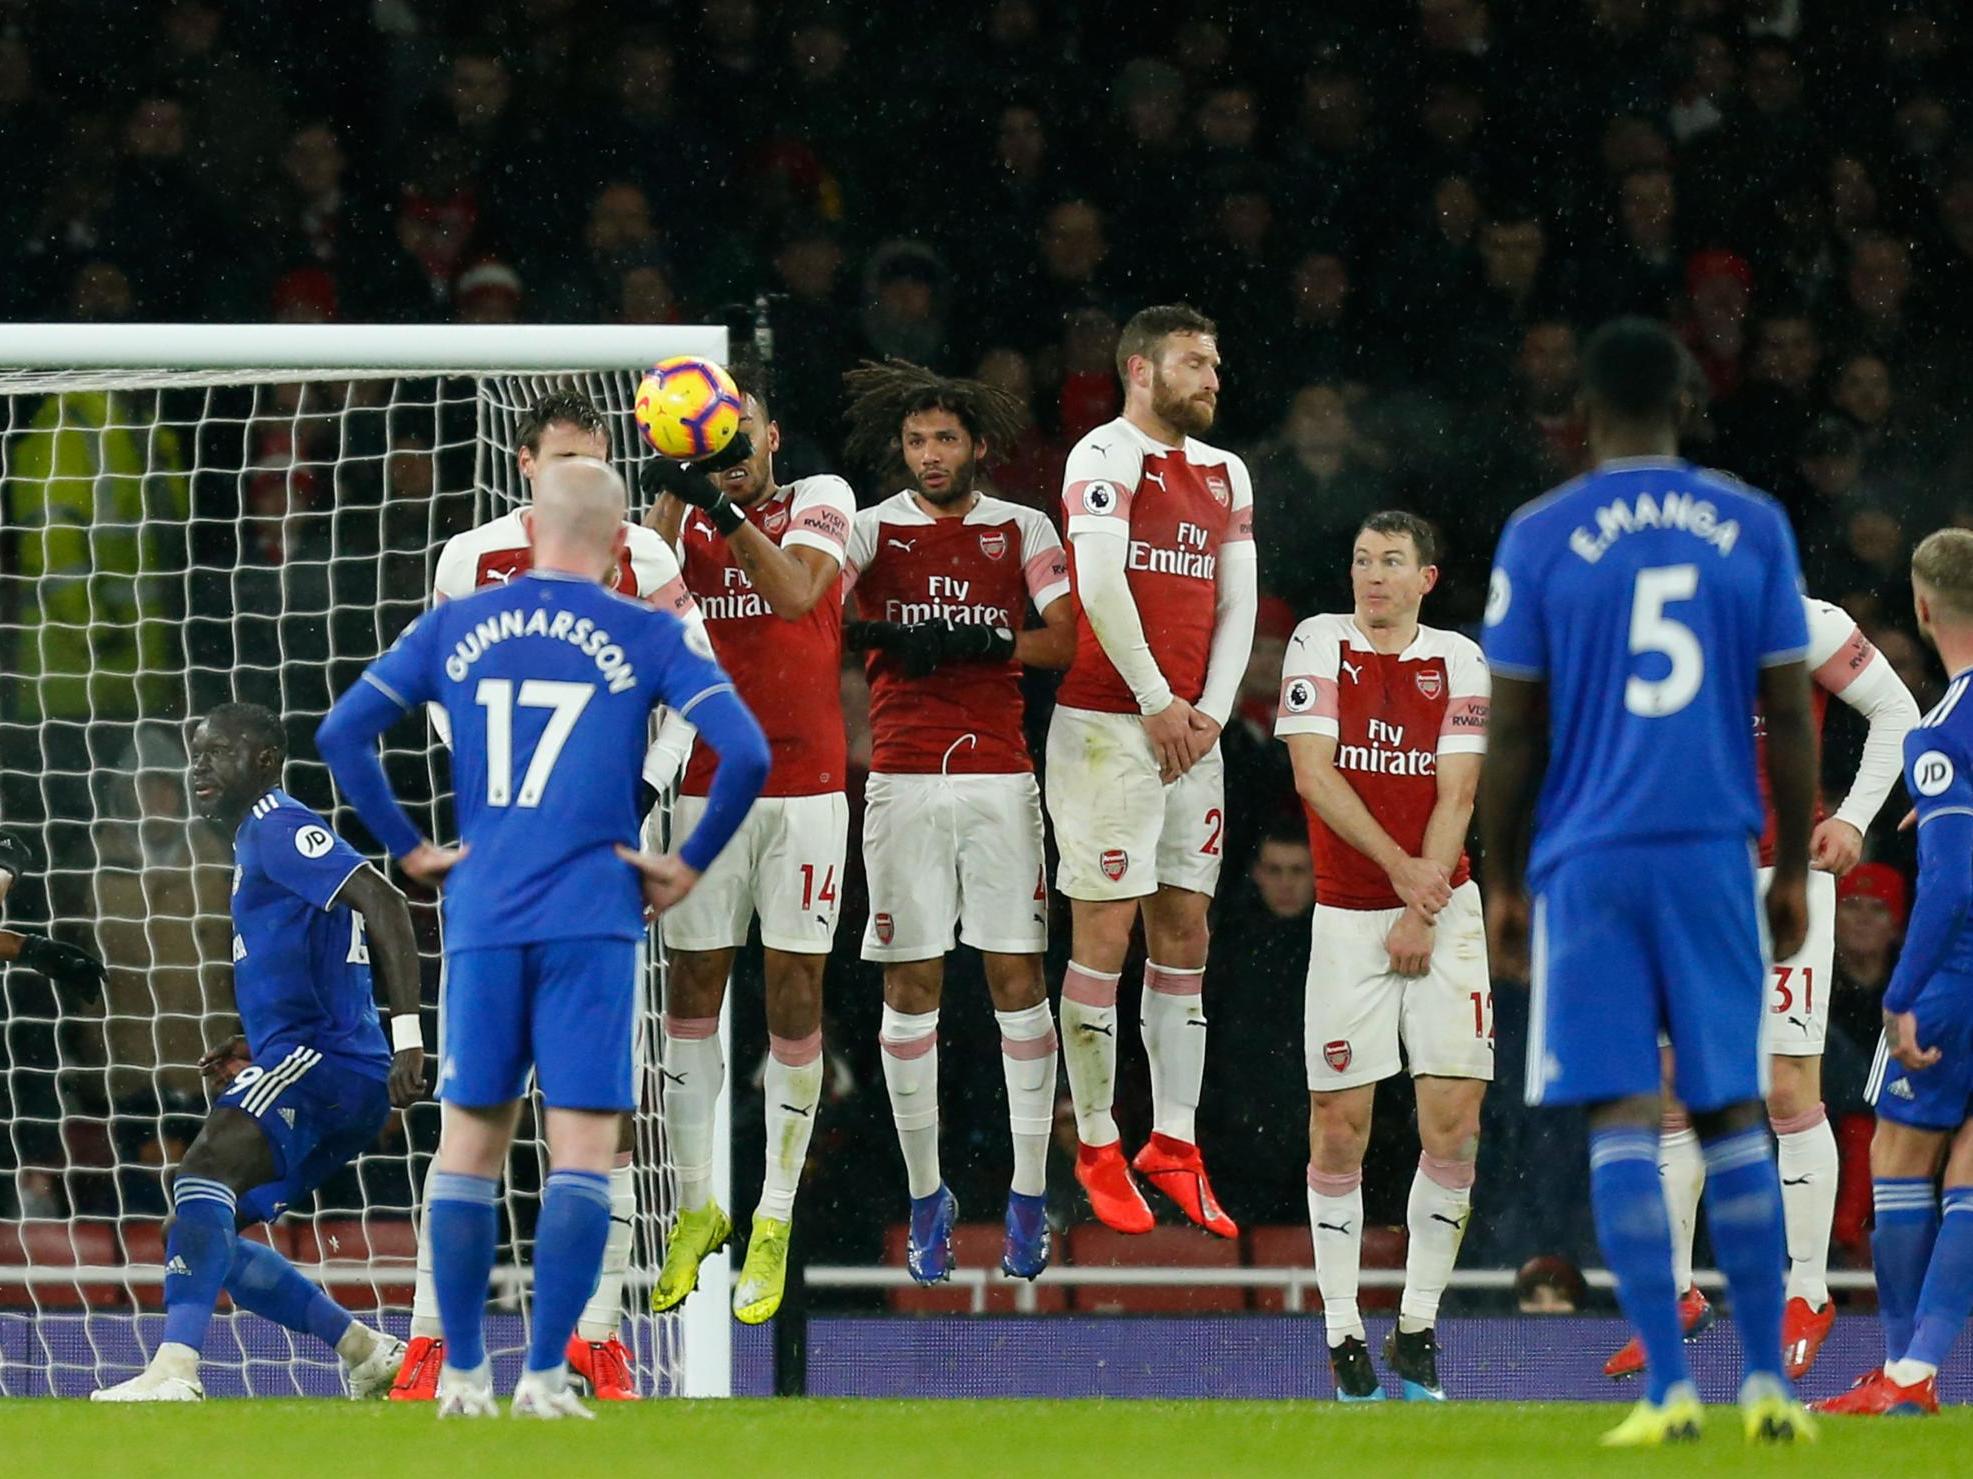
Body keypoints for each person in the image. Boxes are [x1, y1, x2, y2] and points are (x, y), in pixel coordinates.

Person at [315, 459, 769, 1418]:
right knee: (584, 1146)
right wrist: (684, 862)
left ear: (529, 528)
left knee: (472, 1142)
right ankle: (551, 1371)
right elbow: (750, 751)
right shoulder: (643, 626)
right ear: (619, 544)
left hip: (483, 909)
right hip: (593, 914)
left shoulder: (460, 623)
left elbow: (344, 732)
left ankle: (465, 1371)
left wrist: (409, 847)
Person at [1480, 318, 1820, 1446]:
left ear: (1579, 411)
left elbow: (1514, 731)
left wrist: (1501, 880)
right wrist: (1783, 864)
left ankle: (1667, 1389)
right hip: (1711, 848)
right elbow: (1787, 709)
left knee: (1624, 1113)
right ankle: (1769, 1381)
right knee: (1729, 1108)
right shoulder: (1750, 523)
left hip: (1587, 859)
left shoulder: (1538, 535)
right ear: (1685, 398)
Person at [389, 388, 707, 1404]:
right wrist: (497, 787)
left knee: (599, 1107)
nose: (584, 478)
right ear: (524, 464)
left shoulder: (646, 561)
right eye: (563, 458)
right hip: (501, 849)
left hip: (603, 853)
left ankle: (594, 1336)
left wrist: (633, 798)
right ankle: (437, 1339)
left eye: (596, 460)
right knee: (472, 1105)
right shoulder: (467, 559)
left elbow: (694, 706)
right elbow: (436, 697)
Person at [1605, 595, 1917, 1382]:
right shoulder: (1642, 618)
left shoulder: (1796, 617)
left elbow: (1895, 708)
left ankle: (1806, 1290)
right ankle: (1674, 1295)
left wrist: (1850, 818)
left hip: (1781, 880)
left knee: (1785, 1087)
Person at [90, 703, 422, 1403]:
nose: (199, 766)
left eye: (217, 752)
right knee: (200, 1226)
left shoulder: (279, 823)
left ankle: (175, 1368)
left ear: (266, 759)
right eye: (197, 753)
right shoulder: (254, 838)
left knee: (203, 1165)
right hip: (316, 1061)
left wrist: (409, 1038)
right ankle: (365, 1351)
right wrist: (257, 1043)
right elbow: (317, 953)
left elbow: (385, 901)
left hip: (329, 1063)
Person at [837, 361, 1075, 1282]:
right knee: (911, 988)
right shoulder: (867, 527)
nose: (928, 455)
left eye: (944, 439)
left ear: (977, 444)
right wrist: (860, 632)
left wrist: (983, 639)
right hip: (898, 780)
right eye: (914, 441)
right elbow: (816, 603)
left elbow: (1064, 638)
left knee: (1016, 976)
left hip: (998, 777)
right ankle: (925, 1192)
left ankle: (1024, 1191)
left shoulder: (1022, 528)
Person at [638, 361, 856, 1325]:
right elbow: (630, 608)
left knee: (794, 995)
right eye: (708, 446)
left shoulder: (819, 499)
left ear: (767, 436)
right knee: (690, 992)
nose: (723, 458)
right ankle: (698, 1208)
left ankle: (773, 1216)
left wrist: (714, 513)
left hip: (807, 791)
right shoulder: (672, 520)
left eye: (738, 438)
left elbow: (799, 598)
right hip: (703, 786)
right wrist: (658, 510)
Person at [1045, 303, 1257, 1238]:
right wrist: (1155, 701)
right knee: (1105, 931)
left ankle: (1172, 1139)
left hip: (1190, 735)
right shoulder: (1099, 456)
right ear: (1140, 368)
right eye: (1195, 363)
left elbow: (1234, 602)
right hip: (1107, 725)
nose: (1213, 378)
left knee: (1186, 929)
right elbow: (1098, 585)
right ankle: (1095, 1142)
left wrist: (1207, 711)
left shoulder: (1226, 472)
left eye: (1215, 363)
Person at [1276, 510, 1491, 1402]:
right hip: (1348, 916)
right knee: (1339, 1126)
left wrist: (1421, 896)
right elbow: (1312, 774)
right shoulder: (1316, 640)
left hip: (1443, 912)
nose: (1372, 576)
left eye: (1391, 562)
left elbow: (1460, 789)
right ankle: (1340, 1335)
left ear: (1425, 578)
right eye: (1362, 559)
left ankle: (1415, 1328)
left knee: (1453, 1125)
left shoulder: (1460, 659)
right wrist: (1400, 877)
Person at [1816, 529, 1973, 1417]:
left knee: (1899, 1153)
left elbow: (1951, 884)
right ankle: (1917, 1368)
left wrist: (1903, 995)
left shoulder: (1943, 727)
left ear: (1920, 607)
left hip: (1956, 970)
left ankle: (1902, 1371)